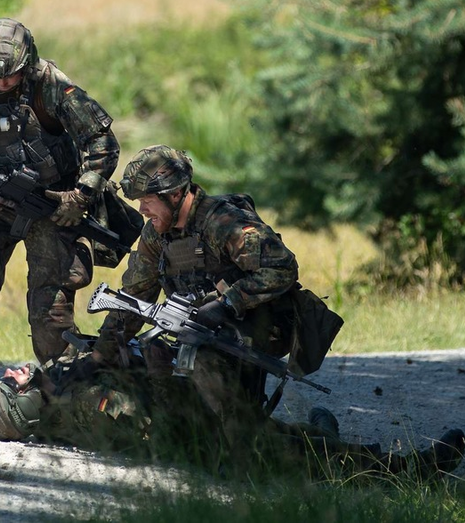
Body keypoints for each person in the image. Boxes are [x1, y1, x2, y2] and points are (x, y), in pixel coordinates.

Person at [0, 18, 119, 420]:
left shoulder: (51, 86)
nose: (1, 84)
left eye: (10, 76)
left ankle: (63, 393)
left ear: (25, 61)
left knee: (49, 307)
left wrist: (80, 195)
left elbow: (102, 142)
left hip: (53, 206)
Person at [85, 144, 325, 447]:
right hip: (206, 333)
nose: (142, 210)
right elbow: (134, 295)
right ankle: (308, 431)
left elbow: (282, 268)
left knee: (240, 432)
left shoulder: (223, 223)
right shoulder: (156, 234)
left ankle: (366, 460)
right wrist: (99, 356)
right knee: (156, 361)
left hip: (261, 328)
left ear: (175, 195)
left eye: (147, 200)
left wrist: (226, 304)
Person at [0, 345, 465, 481]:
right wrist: (157, 370)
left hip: (206, 423)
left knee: (295, 435)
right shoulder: (83, 409)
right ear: (22, 406)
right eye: (9, 383)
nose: (13, 370)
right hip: (208, 443)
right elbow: (154, 423)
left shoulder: (64, 391)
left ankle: (320, 431)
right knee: (301, 455)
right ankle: (409, 470)